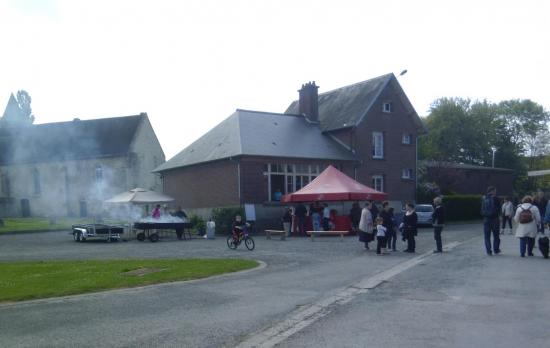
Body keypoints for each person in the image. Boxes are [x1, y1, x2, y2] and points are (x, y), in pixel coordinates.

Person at [481, 186, 501, 255]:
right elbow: (499, 209)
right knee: (496, 236)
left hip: (486, 220)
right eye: (495, 191)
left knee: (487, 237)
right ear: (492, 191)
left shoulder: (484, 199)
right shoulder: (497, 199)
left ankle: (488, 251)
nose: (496, 192)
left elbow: (482, 211)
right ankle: (496, 249)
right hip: (495, 219)